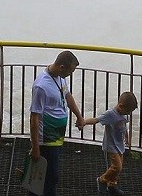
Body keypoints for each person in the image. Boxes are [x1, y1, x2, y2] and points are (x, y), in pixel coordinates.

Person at [30, 50, 83, 196]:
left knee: (44, 177)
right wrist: (35, 147)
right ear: (61, 67)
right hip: (46, 140)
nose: (70, 74)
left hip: (57, 138)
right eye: (71, 71)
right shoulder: (41, 86)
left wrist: (79, 116)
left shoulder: (60, 78)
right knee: (50, 177)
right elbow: (34, 117)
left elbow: (67, 96)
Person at [78, 91, 138, 196]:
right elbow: (96, 120)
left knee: (118, 169)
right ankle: (102, 180)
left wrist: (127, 138)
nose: (128, 114)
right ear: (120, 106)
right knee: (117, 167)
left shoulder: (125, 114)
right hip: (110, 146)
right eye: (128, 111)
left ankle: (112, 185)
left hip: (120, 146)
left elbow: (124, 127)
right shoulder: (111, 114)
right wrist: (83, 122)